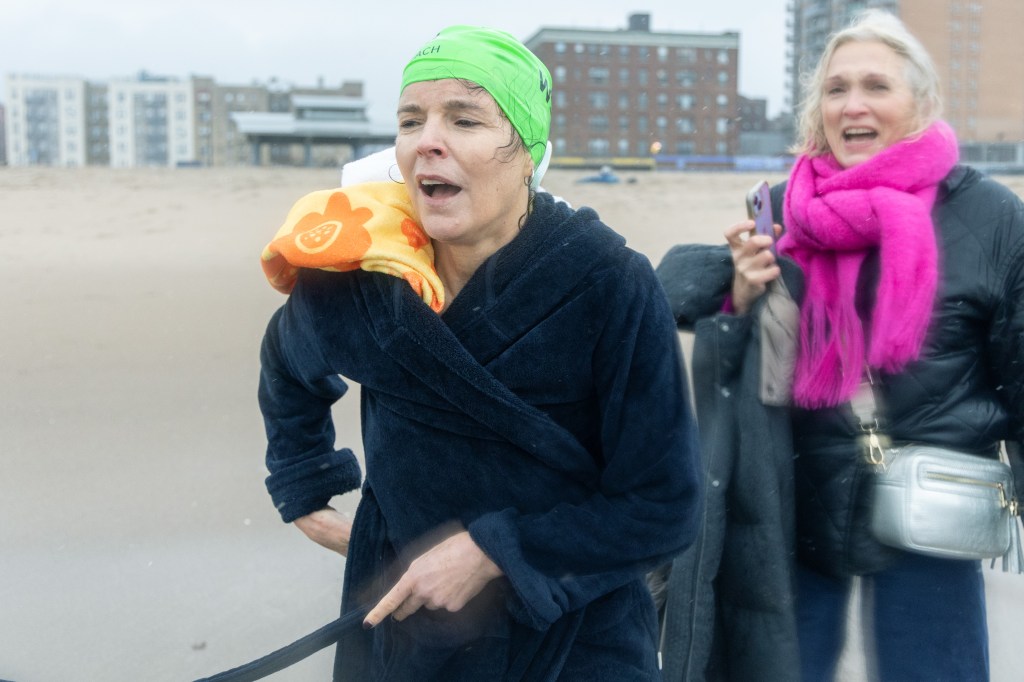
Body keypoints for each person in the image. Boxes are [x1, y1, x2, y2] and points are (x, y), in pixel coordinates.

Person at [257, 24, 702, 681]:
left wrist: (496, 552)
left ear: (528, 153)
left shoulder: (606, 282)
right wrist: (304, 483)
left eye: (464, 118)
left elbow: (663, 507)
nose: (427, 139)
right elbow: (286, 362)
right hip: (409, 635)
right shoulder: (363, 280)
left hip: (574, 642)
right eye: (411, 120)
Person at [656, 9, 1024, 681]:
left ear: (921, 102)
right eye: (835, 88)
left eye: (877, 86)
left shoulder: (989, 215)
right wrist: (738, 298)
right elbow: (742, 370)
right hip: (799, 508)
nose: (852, 104)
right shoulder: (776, 209)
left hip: (934, 513)